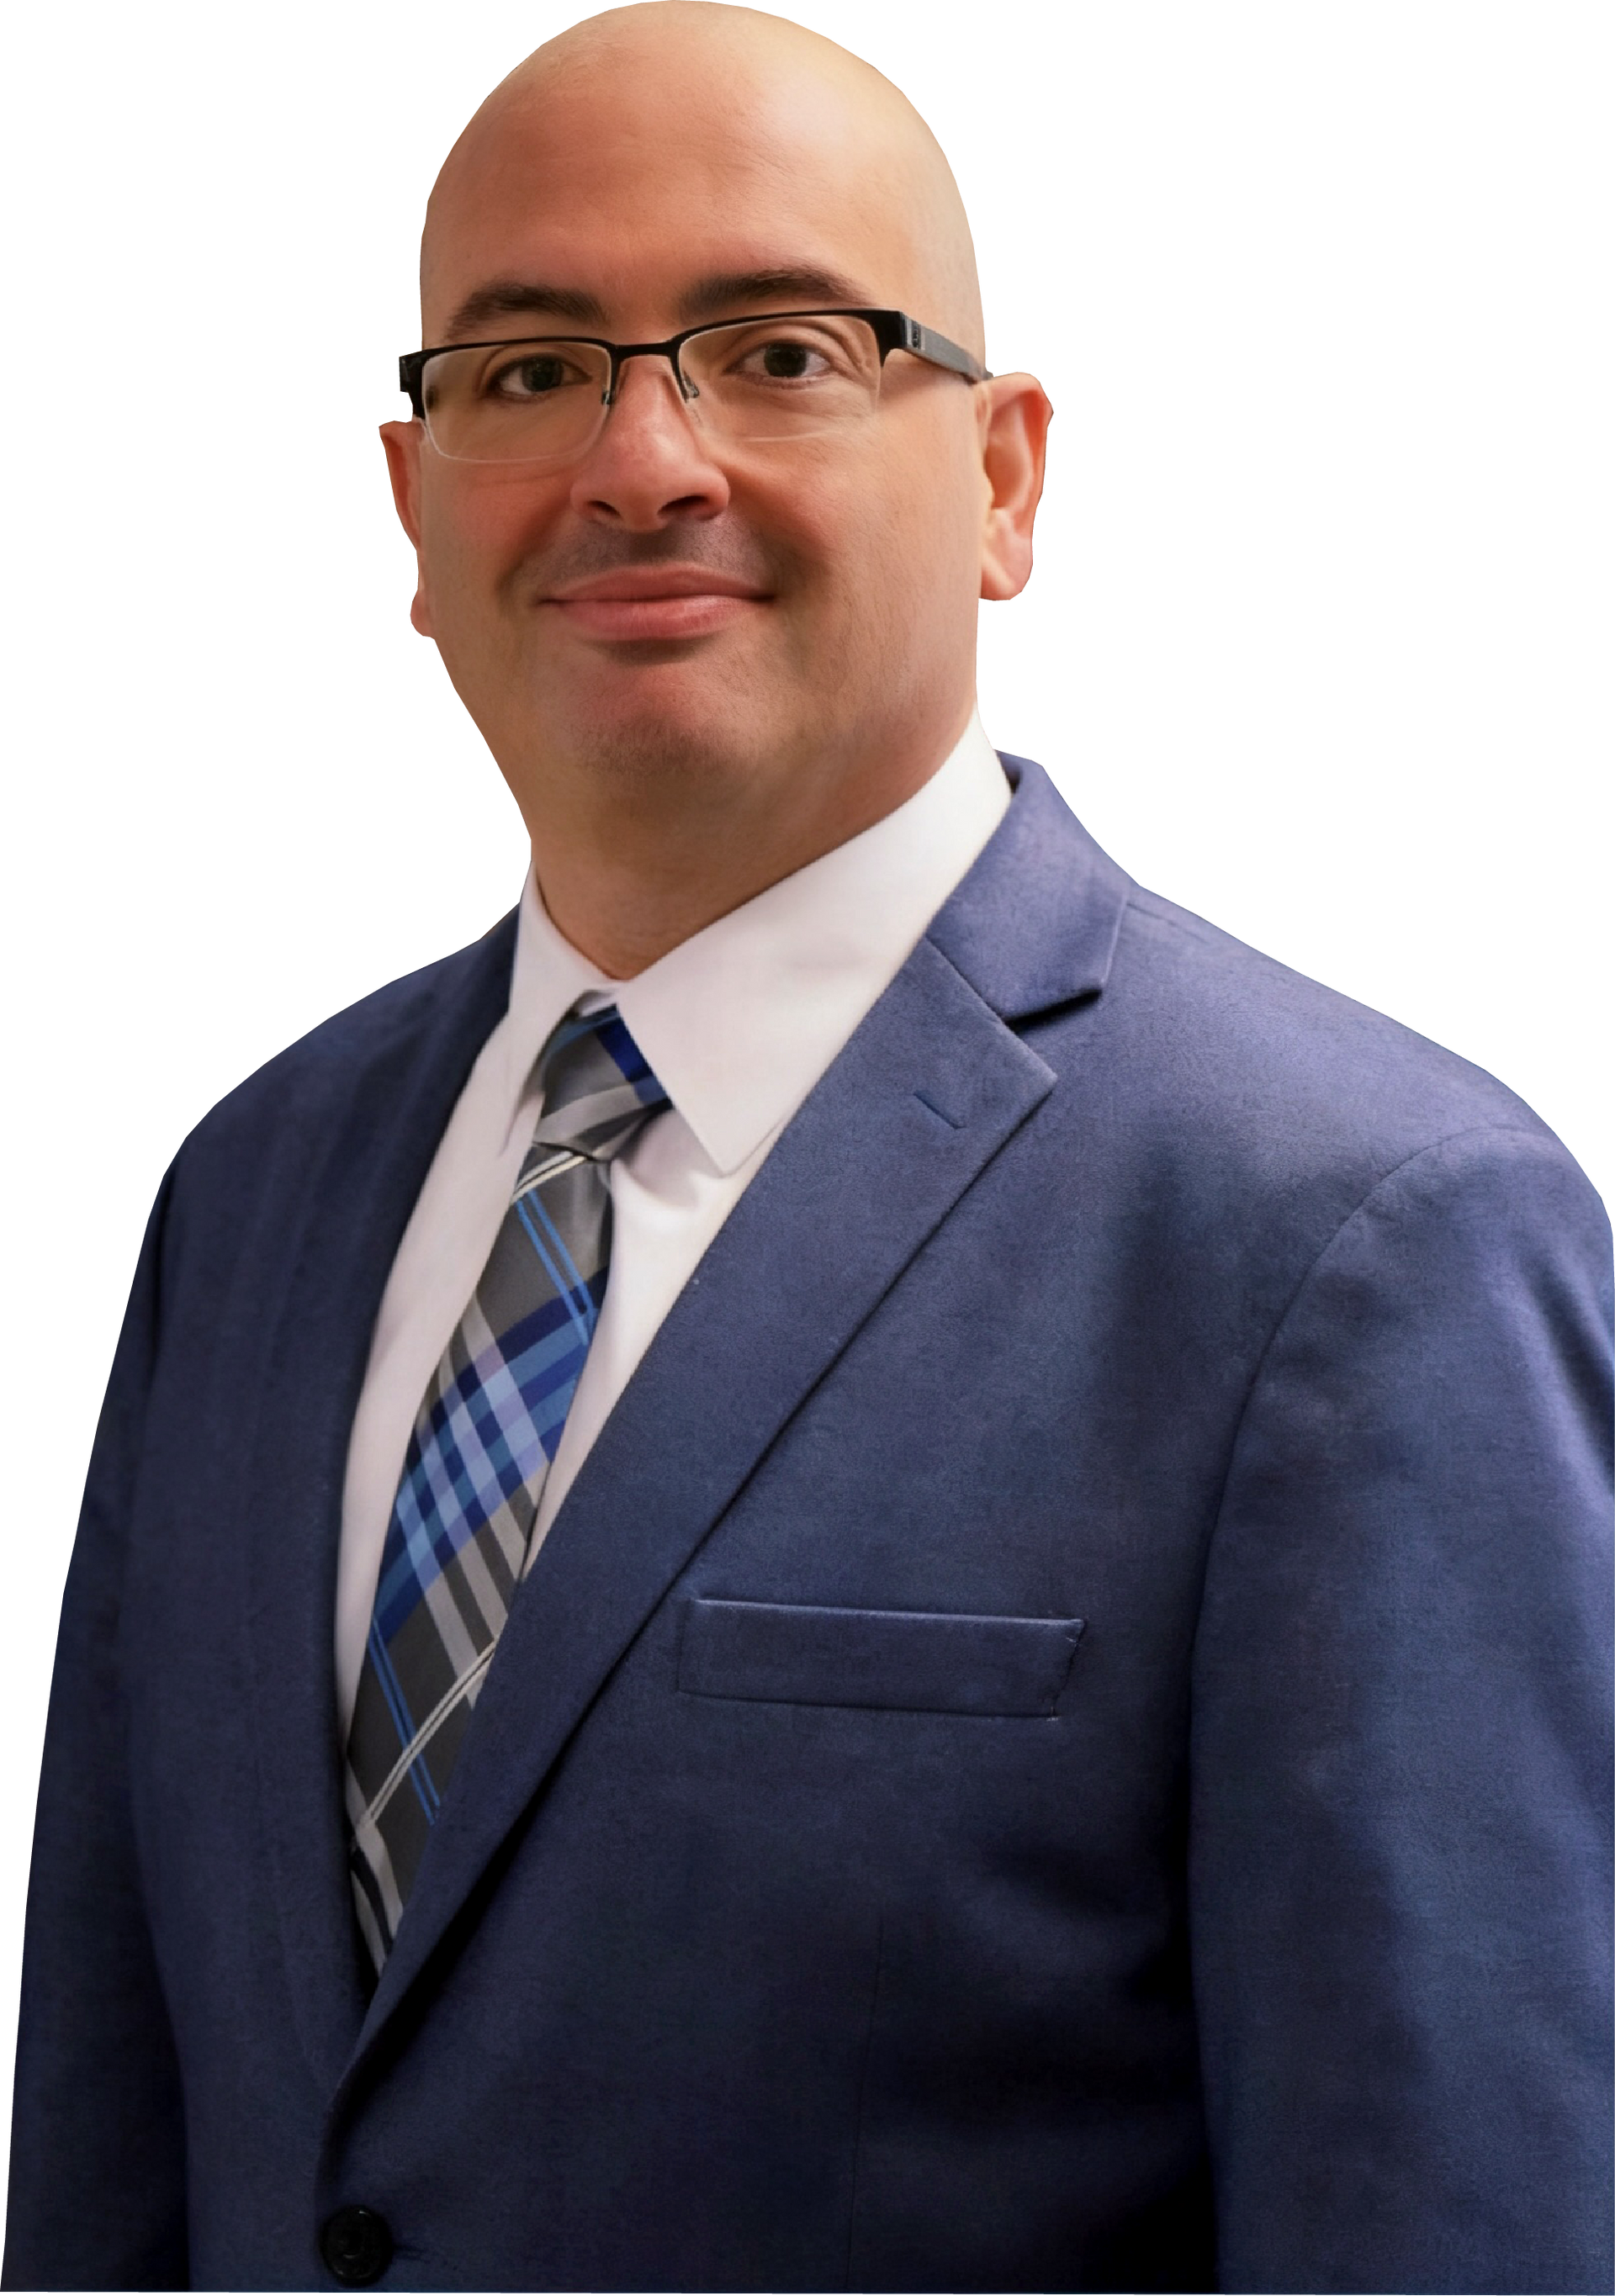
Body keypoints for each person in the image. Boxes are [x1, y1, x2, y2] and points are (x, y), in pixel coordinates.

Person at [6, 3, 1611, 2289]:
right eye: (528, 371)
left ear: (1006, 478)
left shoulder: (1363, 1235)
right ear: (412, 508)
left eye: (779, 353)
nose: (642, 461)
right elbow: (122, 2148)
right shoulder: (250, 1188)